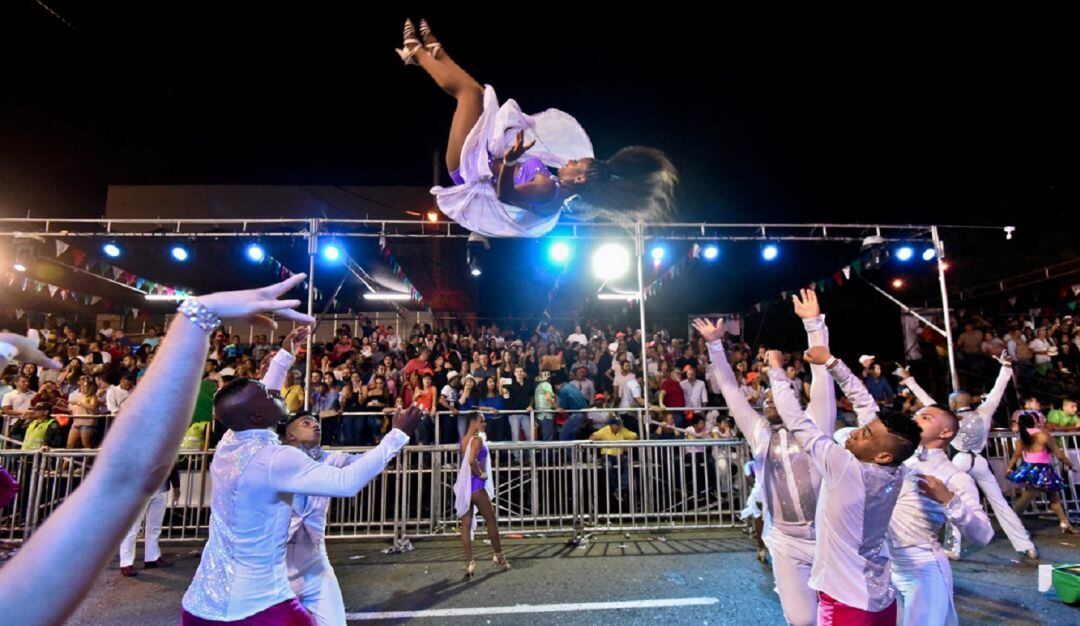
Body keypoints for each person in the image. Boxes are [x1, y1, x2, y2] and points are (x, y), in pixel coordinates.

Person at [0, 275, 316, 626]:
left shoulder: (238, 437)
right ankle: (129, 559)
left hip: (213, 605)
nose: (276, 395)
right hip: (252, 608)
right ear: (255, 415)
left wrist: (279, 354)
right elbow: (127, 475)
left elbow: (258, 400)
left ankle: (146, 555)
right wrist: (197, 316)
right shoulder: (244, 441)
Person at [181, 371, 423, 624]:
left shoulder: (230, 442)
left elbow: (244, 402)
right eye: (267, 395)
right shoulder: (276, 457)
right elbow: (348, 482)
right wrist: (397, 435)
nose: (276, 392)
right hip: (259, 601)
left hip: (205, 602)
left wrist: (285, 354)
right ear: (288, 434)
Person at [398, 19, 677, 238]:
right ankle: (437, 52)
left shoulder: (547, 191)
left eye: (576, 162)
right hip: (483, 161)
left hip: (467, 168)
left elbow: (505, 195)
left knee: (468, 95)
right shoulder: (554, 191)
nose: (570, 161)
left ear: (579, 179)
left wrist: (508, 162)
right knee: (478, 93)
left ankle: (417, 53)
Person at [693, 289, 835, 626]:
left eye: (776, 395)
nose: (768, 401)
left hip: (830, 537)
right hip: (786, 542)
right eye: (766, 398)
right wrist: (715, 346)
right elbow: (730, 390)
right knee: (801, 620)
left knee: (840, 615)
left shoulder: (817, 425)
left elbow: (823, 377)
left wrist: (814, 325)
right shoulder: (760, 434)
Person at [771, 348, 921, 625]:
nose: (853, 433)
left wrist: (776, 372)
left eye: (864, 434)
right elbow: (866, 405)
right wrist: (831, 363)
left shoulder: (846, 468)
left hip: (845, 604)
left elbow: (796, 420)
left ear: (883, 455)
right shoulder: (896, 470)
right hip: (881, 600)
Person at [902, 355, 1038, 559]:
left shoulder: (947, 417)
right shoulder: (983, 412)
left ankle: (952, 546)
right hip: (979, 460)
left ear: (954, 402)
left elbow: (926, 400)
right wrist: (1006, 367)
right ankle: (1025, 544)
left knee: (954, 498)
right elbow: (997, 391)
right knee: (999, 503)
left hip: (961, 461)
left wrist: (908, 379)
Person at [887, 401, 994, 625]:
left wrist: (949, 500)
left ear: (945, 433)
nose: (916, 419)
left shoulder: (955, 477)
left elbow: (983, 535)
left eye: (925, 417)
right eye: (916, 414)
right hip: (883, 566)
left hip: (922, 568)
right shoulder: (893, 460)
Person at [453, 411, 509, 578]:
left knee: (466, 524)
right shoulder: (476, 440)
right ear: (473, 423)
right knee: (491, 520)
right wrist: (481, 474)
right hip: (476, 487)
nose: (484, 424)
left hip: (464, 488)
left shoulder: (463, 440)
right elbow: (471, 461)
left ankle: (470, 562)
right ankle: (499, 555)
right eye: (481, 421)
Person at [1008, 411, 1076, 534]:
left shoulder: (1022, 437)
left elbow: (1016, 455)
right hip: (1042, 469)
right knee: (1029, 496)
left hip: (1029, 469)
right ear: (1034, 421)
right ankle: (1011, 523)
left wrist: (1009, 468)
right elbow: (1059, 455)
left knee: (1053, 496)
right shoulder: (1044, 436)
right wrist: (1070, 464)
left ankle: (1064, 523)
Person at [118, 465, 180, 577]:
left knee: (154, 526)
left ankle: (152, 557)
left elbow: (172, 461)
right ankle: (126, 563)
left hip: (160, 487)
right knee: (133, 528)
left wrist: (176, 485)